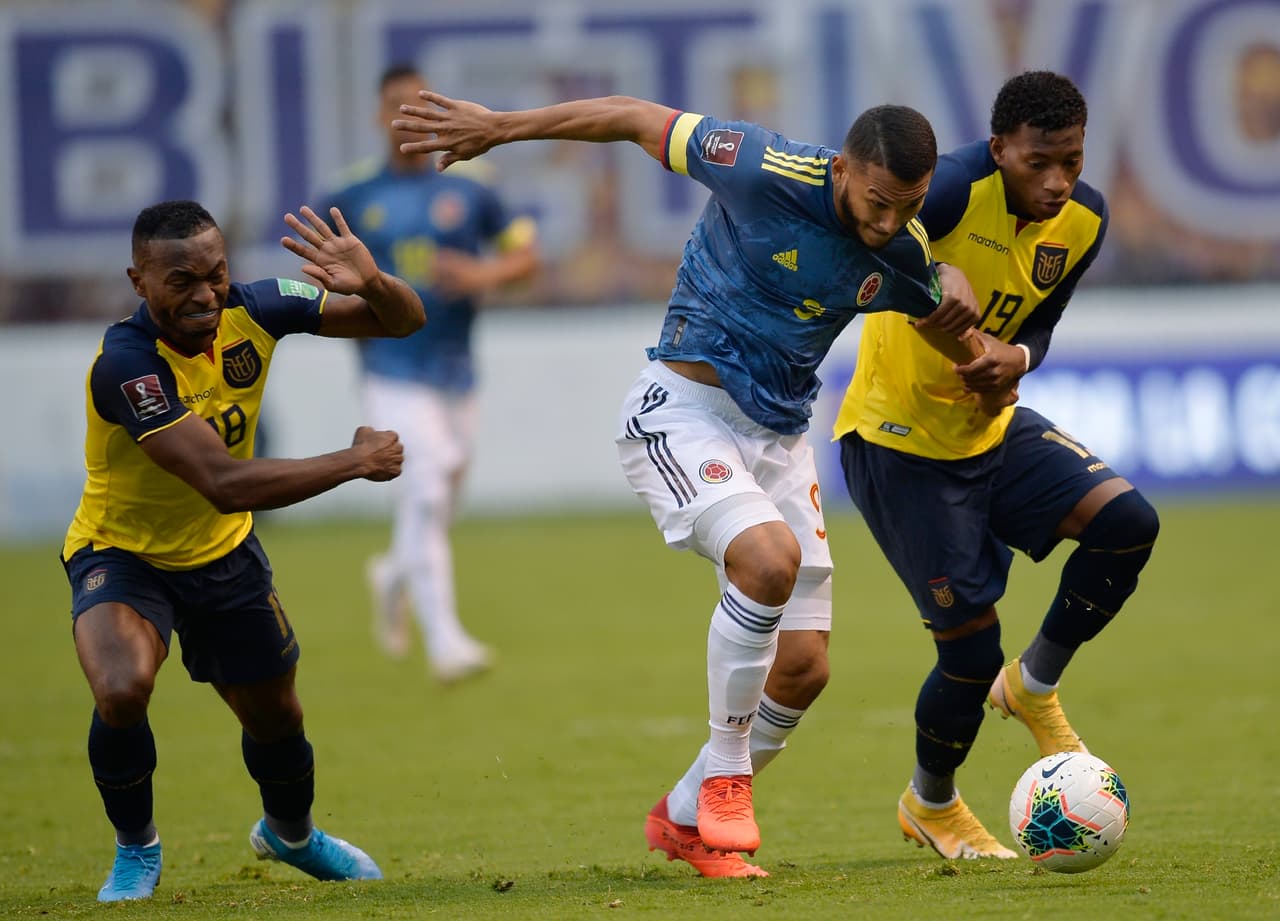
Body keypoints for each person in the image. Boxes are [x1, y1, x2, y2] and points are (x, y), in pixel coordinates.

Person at [393, 90, 980, 876]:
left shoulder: (900, 250)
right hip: (681, 410)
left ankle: (682, 817)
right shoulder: (759, 165)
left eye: (906, 206)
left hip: (778, 439)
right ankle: (728, 777)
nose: (886, 221)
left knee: (805, 666)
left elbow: (955, 315)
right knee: (766, 562)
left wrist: (961, 294)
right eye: (877, 201)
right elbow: (635, 117)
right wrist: (502, 128)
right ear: (843, 168)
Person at [832, 71, 1161, 859]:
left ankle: (1034, 684)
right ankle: (931, 802)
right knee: (968, 653)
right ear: (999, 147)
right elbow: (871, 238)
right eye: (1038, 161)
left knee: (1126, 523)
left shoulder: (1083, 219)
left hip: (991, 427)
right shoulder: (947, 189)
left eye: (1072, 161)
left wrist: (1013, 354)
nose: (1057, 181)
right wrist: (931, 267)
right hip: (899, 443)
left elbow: (1039, 326)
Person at [60, 199, 426, 901]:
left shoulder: (256, 308)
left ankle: (291, 835)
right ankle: (137, 849)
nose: (205, 294)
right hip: (124, 553)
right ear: (139, 281)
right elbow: (223, 483)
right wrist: (353, 461)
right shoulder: (127, 367)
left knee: (277, 717)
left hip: (222, 555)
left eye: (216, 273)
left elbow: (404, 321)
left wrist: (372, 281)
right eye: (181, 280)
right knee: (122, 687)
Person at [319, 65, 539, 682]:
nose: (404, 118)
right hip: (390, 364)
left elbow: (527, 256)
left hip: (457, 368)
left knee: (440, 497)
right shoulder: (352, 196)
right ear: (376, 116)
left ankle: (392, 573)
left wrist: (482, 276)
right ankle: (444, 642)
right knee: (427, 485)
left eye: (416, 106)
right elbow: (308, 270)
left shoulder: (474, 188)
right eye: (393, 106)